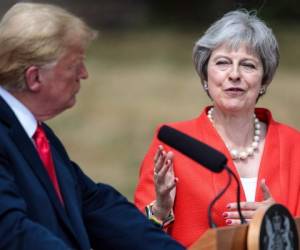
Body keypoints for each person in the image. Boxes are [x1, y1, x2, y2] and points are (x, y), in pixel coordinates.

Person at [0, 3, 186, 250]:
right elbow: (13, 233)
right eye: (74, 65)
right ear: (35, 78)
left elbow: (95, 205)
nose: (84, 74)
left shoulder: (37, 134)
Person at [134, 9, 300, 247]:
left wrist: (281, 222)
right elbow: (135, 235)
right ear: (205, 76)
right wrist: (161, 209)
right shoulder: (174, 144)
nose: (234, 75)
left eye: (248, 65)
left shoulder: (295, 145)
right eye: (222, 63)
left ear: (264, 80)